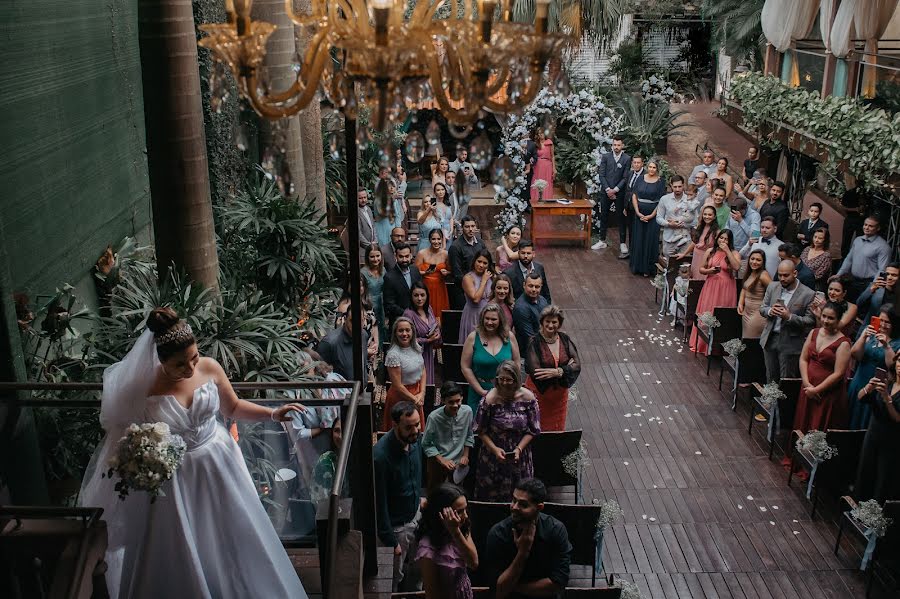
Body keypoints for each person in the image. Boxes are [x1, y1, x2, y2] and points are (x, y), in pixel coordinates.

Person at [79, 307, 309, 599]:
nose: (190, 368)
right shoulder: (143, 387)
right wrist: (144, 454)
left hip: (218, 463)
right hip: (175, 479)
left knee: (234, 535)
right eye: (179, 364)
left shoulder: (210, 368)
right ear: (161, 360)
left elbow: (233, 408)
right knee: (184, 544)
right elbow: (122, 436)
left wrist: (273, 413)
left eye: (194, 358)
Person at [485, 478, 571, 599]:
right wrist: (523, 552)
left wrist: (512, 587)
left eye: (523, 504)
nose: (514, 507)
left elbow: (558, 583)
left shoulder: (555, 530)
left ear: (539, 507)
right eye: (514, 500)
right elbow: (498, 592)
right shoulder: (498, 533)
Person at [374, 401, 424, 592]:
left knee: (418, 564)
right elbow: (379, 503)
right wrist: (390, 540)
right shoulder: (380, 457)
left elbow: (416, 473)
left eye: (417, 424)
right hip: (396, 528)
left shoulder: (414, 440)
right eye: (409, 427)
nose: (416, 430)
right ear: (395, 425)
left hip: (415, 514)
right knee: (393, 575)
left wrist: (419, 498)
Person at [473, 361, 541, 502]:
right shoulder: (489, 400)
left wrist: (519, 449)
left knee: (521, 497)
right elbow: (480, 430)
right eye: (501, 379)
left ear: (516, 379)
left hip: (520, 456)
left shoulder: (529, 398)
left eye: (509, 379)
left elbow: (534, 429)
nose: (504, 382)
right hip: (493, 455)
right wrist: (495, 449)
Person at [793, 302, 851, 440]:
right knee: (803, 420)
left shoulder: (844, 343)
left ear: (838, 320)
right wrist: (807, 384)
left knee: (817, 424)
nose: (825, 320)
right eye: (824, 316)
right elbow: (803, 359)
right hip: (808, 388)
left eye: (830, 318)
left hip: (826, 393)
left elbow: (839, 373)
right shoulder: (814, 332)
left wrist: (817, 390)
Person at [416, 483, 479, 599]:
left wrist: (456, 532)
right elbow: (433, 595)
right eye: (459, 512)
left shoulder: (463, 528)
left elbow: (473, 563)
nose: (465, 516)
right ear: (441, 514)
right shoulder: (427, 549)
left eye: (465, 509)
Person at [524, 305, 580, 431]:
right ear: (542, 322)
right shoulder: (534, 342)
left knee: (557, 428)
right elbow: (536, 373)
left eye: (554, 322)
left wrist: (559, 371)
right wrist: (567, 368)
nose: (550, 325)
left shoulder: (564, 339)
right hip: (539, 395)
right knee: (537, 427)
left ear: (559, 323)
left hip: (560, 397)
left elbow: (577, 365)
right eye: (547, 321)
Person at [760, 260, 817, 383]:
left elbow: (810, 321)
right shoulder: (772, 286)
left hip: (790, 342)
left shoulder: (808, 294)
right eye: (780, 275)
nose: (782, 278)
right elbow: (762, 308)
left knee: (785, 380)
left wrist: (789, 317)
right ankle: (771, 402)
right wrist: (770, 311)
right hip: (770, 338)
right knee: (770, 377)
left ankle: (783, 403)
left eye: (786, 275)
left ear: (795, 273)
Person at [853, 354, 900, 502]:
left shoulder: (888, 390)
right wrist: (868, 387)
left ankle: (875, 517)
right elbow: (860, 397)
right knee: (865, 471)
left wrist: (887, 399)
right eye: (899, 360)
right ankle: (859, 510)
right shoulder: (888, 382)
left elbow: (898, 418)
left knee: (883, 478)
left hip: (891, 439)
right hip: (873, 433)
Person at [846, 305, 900, 430]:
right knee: (851, 418)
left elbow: (892, 365)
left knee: (866, 422)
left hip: (877, 388)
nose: (883, 325)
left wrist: (886, 346)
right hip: (859, 381)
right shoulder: (870, 333)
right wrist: (863, 337)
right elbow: (855, 354)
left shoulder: (897, 343)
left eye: (887, 322)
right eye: (881, 320)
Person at [689, 229, 741, 354]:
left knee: (721, 314)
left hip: (726, 287)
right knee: (707, 311)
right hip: (711, 284)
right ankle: (702, 344)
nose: (722, 241)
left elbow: (737, 267)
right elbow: (701, 269)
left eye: (726, 239)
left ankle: (718, 348)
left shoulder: (734, 253)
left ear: (730, 241)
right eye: (721, 238)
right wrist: (709, 271)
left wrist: (727, 251)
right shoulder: (710, 251)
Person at [461, 303, 520, 412]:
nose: (489, 322)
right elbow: (465, 367)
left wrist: (512, 386)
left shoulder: (509, 337)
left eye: (493, 319)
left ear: (500, 320)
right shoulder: (473, 337)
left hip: (505, 391)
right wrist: (481, 391)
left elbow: (516, 362)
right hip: (479, 390)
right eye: (486, 318)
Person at [421, 383, 474, 492]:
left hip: (458, 465)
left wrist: (465, 455)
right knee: (435, 495)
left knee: (456, 495)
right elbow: (426, 443)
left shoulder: (467, 412)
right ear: (443, 401)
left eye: (458, 401)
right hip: (437, 463)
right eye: (451, 402)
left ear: (462, 398)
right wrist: (442, 460)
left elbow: (469, 435)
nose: (455, 405)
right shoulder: (434, 417)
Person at [382, 317, 427, 431]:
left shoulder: (416, 347)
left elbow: (422, 370)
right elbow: (397, 386)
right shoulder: (393, 355)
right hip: (400, 397)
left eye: (407, 330)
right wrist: (414, 400)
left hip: (416, 393)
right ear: (395, 333)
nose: (404, 334)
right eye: (400, 330)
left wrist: (422, 393)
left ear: (412, 331)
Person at [838, 215, 892, 303]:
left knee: (861, 310)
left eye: (871, 226)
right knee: (849, 306)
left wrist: (873, 286)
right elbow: (849, 259)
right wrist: (839, 274)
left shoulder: (883, 247)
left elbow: (882, 270)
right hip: (853, 281)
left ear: (878, 228)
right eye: (865, 224)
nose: (866, 227)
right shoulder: (857, 240)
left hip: (869, 284)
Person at [629, 159, 666, 276]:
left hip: (653, 214)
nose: (651, 169)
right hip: (639, 214)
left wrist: (651, 215)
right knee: (638, 238)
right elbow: (634, 195)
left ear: (657, 169)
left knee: (649, 240)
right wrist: (637, 212)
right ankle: (636, 266)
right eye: (650, 167)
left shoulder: (660, 182)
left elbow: (661, 201)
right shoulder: (640, 178)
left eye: (654, 167)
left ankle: (647, 268)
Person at [593, 135, 631, 250]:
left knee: (621, 217)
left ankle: (622, 243)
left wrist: (615, 190)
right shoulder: (606, 157)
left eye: (618, 145)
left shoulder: (627, 158)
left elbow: (625, 177)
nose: (616, 147)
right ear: (612, 145)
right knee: (604, 215)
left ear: (622, 146)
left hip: (619, 192)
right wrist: (608, 189)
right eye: (614, 145)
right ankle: (602, 240)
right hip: (606, 191)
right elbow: (601, 174)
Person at [404, 282, 442, 386]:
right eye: (416, 295)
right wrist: (427, 340)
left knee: (428, 385)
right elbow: (406, 339)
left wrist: (437, 333)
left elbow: (434, 324)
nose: (419, 299)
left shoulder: (429, 309)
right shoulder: (408, 314)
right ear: (411, 297)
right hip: (415, 355)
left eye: (422, 295)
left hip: (428, 353)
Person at [609, 155, 645, 258]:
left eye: (638, 163)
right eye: (634, 162)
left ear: (642, 163)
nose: (636, 164)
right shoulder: (630, 173)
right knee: (631, 230)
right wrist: (625, 207)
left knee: (638, 231)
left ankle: (638, 253)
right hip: (629, 207)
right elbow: (627, 191)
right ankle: (631, 251)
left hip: (640, 208)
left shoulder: (645, 175)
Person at [318, 309, 369, 381]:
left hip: (361, 387)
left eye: (360, 321)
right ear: (345, 319)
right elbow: (320, 372)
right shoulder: (329, 342)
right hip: (341, 390)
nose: (356, 324)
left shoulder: (364, 335)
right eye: (352, 321)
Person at [655, 175, 698, 258]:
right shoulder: (664, 199)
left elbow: (695, 221)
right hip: (669, 237)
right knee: (668, 263)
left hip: (685, 237)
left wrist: (682, 224)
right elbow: (658, 218)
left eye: (679, 186)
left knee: (684, 265)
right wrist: (668, 224)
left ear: (683, 185)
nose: (677, 189)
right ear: (671, 186)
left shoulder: (690, 199)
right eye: (675, 187)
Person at [448, 215, 486, 309]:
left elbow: (486, 263)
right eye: (467, 227)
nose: (470, 229)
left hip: (481, 287)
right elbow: (457, 274)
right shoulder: (455, 247)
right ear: (462, 227)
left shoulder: (480, 243)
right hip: (463, 290)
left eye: (473, 226)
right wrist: (471, 287)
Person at [384, 243, 424, 329]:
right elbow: (389, 304)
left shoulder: (415, 270)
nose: (404, 259)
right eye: (401, 257)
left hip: (418, 319)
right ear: (395, 256)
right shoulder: (389, 277)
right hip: (399, 322)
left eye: (406, 256)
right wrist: (409, 314)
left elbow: (421, 291)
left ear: (410, 256)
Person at [674, 205, 718, 280]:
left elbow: (717, 248)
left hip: (706, 259)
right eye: (705, 214)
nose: (707, 217)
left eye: (710, 215)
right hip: (696, 257)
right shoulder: (700, 227)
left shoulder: (716, 231)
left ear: (714, 216)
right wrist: (684, 254)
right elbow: (694, 242)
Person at [416, 228, 451, 323]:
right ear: (429, 240)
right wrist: (425, 273)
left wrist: (446, 273)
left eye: (439, 239)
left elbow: (450, 271)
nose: (436, 242)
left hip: (440, 287)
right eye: (434, 239)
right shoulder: (422, 253)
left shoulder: (446, 254)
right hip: (426, 287)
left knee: (439, 315)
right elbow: (415, 272)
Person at [460, 249, 495, 341]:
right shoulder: (468, 278)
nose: (481, 265)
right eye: (479, 261)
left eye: (485, 263)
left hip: (488, 315)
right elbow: (476, 299)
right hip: (473, 315)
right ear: (474, 261)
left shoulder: (491, 277)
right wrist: (483, 281)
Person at [739, 249, 772, 338]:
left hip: (757, 315)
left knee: (750, 342)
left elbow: (774, 291)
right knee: (745, 340)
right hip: (746, 313)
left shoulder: (763, 275)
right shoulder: (750, 273)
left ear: (763, 262)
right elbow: (745, 288)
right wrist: (740, 303)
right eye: (752, 259)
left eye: (758, 260)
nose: (754, 262)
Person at [855, 262, 900, 328]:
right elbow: (858, 304)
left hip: (893, 329)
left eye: (894, 275)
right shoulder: (875, 287)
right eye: (887, 274)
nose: (889, 277)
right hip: (872, 326)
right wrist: (871, 290)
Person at [513, 272, 549, 352]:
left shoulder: (542, 300)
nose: (533, 289)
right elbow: (530, 337)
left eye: (537, 287)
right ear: (524, 285)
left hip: (544, 343)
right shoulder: (520, 308)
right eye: (530, 286)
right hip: (530, 351)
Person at [347, 188, 377, 265]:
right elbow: (358, 233)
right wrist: (369, 246)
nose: (363, 200)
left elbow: (373, 227)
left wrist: (375, 241)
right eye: (360, 198)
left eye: (365, 197)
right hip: (362, 251)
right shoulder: (355, 212)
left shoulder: (369, 209)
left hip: (372, 248)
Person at [363, 246, 387, 344]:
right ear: (367, 257)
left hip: (382, 304)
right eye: (372, 256)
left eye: (378, 256)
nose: (375, 259)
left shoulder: (384, 270)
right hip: (369, 304)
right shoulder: (363, 273)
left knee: (383, 328)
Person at [373, 179, 405, 247]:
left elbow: (398, 216)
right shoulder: (378, 200)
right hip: (383, 231)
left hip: (393, 231)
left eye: (393, 186)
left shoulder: (394, 199)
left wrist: (398, 230)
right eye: (389, 186)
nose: (391, 188)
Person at [529, 127, 556, 202]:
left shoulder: (549, 143)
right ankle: (535, 201)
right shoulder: (535, 144)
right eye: (539, 133)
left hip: (548, 166)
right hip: (538, 166)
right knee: (537, 182)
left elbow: (553, 156)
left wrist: (554, 169)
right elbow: (532, 155)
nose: (541, 135)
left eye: (542, 133)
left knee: (547, 183)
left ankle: (547, 200)